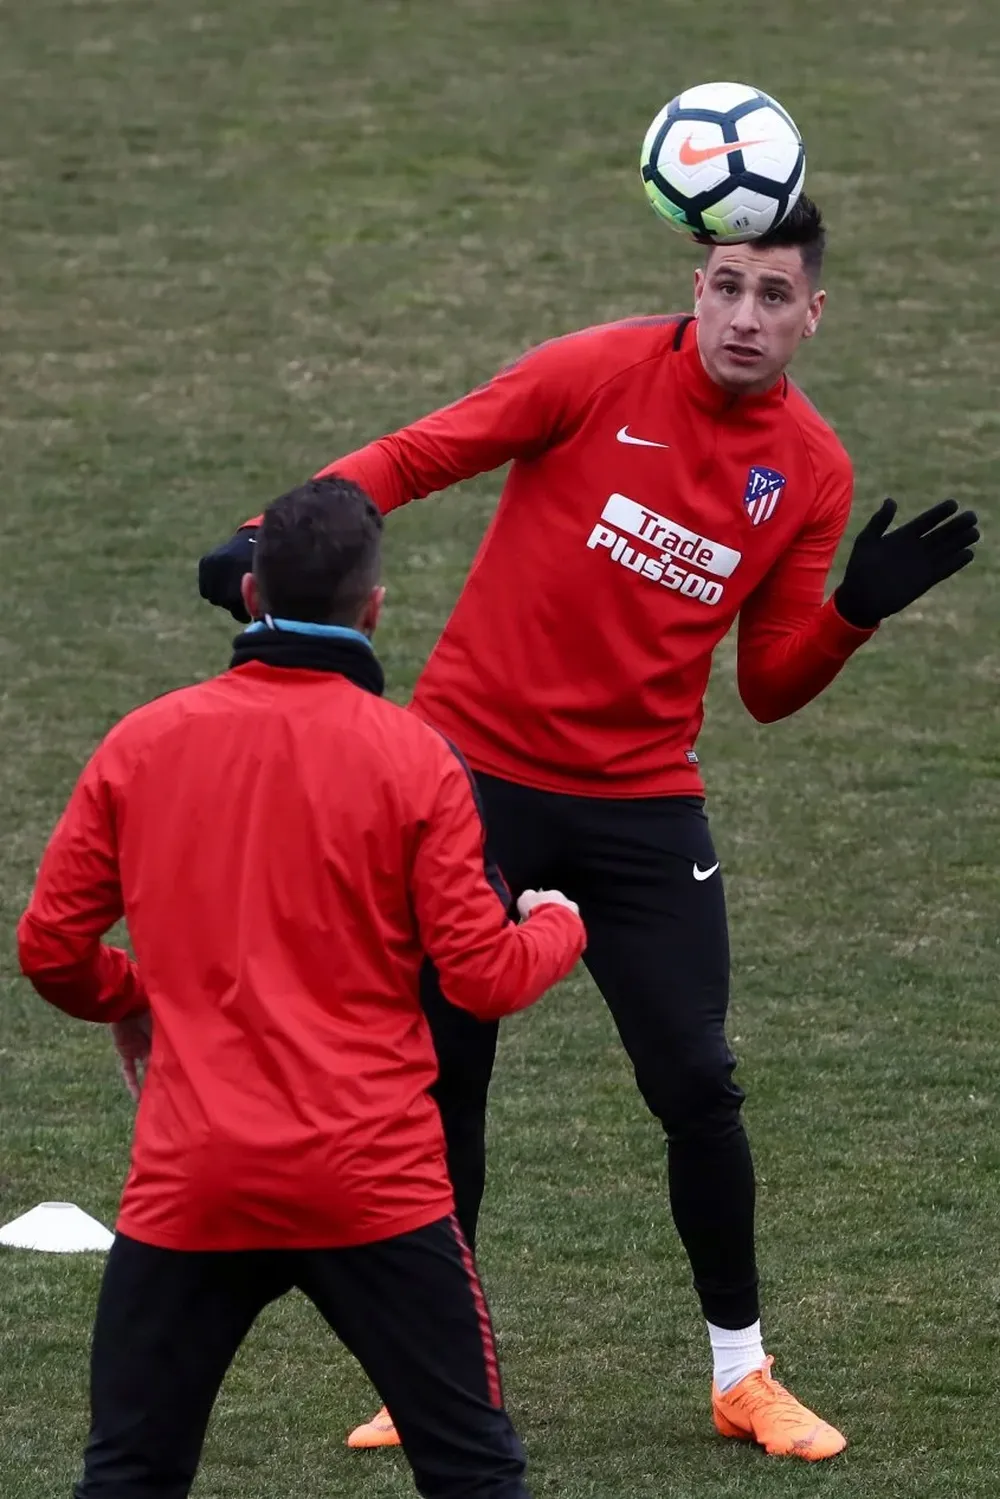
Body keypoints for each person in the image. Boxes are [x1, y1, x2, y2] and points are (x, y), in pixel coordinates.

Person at [198, 196, 980, 1462]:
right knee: (444, 1077)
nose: (742, 315)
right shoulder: (592, 369)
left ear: (812, 315)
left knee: (696, 1079)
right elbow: (414, 456)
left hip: (640, 803)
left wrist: (852, 613)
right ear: (697, 282)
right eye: (725, 285)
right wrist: (259, 533)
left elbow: (769, 688)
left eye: (772, 296)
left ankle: (742, 1373)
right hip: (471, 778)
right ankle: (430, 1370)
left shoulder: (811, 472)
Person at [17, 480, 587, 1499]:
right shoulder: (415, 760)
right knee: (473, 1471)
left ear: (248, 590)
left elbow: (50, 947)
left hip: (193, 1183)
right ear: (373, 607)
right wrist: (557, 921)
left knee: (130, 1472)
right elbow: (483, 974)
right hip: (373, 1184)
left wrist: (133, 992)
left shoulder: (143, 743)